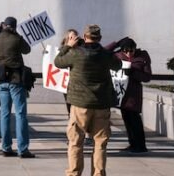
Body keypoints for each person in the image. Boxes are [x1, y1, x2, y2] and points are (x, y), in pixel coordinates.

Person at [55, 25, 122, 176]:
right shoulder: (105, 54)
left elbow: (58, 62)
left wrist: (67, 46)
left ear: (84, 37)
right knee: (100, 143)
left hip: (80, 105)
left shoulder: (75, 53)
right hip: (101, 104)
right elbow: (118, 65)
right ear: (100, 38)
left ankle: (74, 173)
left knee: (76, 142)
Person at [0, 16, 34, 158]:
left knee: (4, 113)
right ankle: (23, 149)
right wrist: (17, 35)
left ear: (3, 25)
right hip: (15, 79)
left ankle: (6, 147)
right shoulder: (16, 39)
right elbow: (27, 49)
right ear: (14, 27)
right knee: (20, 114)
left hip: (1, 79)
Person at [106, 36, 152, 153]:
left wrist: (133, 72)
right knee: (127, 119)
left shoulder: (142, 56)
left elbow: (147, 77)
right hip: (121, 93)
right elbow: (102, 52)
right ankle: (133, 144)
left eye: (131, 51)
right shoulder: (117, 55)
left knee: (135, 119)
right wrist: (116, 43)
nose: (129, 54)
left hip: (133, 93)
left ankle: (140, 146)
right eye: (125, 51)